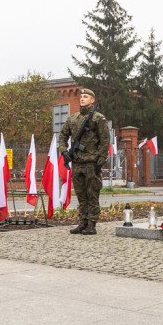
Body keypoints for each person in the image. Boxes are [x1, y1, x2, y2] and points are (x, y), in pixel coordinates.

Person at [58, 88, 110, 236]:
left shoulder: (98, 118)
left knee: (92, 195)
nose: (82, 99)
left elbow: (105, 141)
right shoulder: (73, 118)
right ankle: (83, 223)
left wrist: (100, 160)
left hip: (91, 163)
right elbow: (62, 135)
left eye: (85, 96)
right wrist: (64, 151)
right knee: (81, 195)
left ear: (92, 100)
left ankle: (91, 224)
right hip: (77, 163)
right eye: (81, 96)